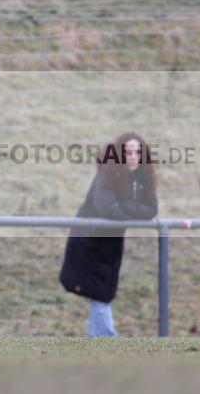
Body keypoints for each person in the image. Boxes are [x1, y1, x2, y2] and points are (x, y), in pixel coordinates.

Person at [59, 133, 158, 337]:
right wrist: (132, 211)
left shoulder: (140, 179)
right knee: (100, 295)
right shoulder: (107, 174)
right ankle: (107, 338)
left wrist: (125, 209)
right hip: (89, 241)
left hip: (111, 244)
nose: (133, 157)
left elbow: (151, 209)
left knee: (102, 294)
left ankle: (100, 339)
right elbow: (107, 208)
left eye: (138, 152)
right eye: (128, 152)